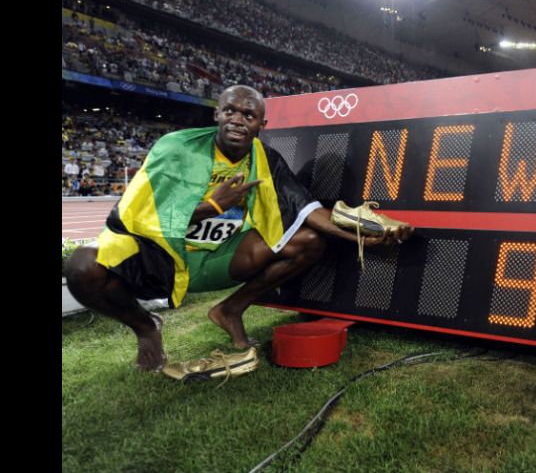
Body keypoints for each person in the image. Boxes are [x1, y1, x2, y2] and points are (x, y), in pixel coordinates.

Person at [65, 85, 413, 371]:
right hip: (164, 258)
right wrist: (214, 205)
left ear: (262, 123)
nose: (237, 120)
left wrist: (361, 234)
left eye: (248, 115)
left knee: (309, 240)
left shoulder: (265, 158)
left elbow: (305, 209)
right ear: (216, 114)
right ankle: (146, 327)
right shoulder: (176, 148)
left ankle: (230, 308)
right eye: (230, 111)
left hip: (220, 258)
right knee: (82, 267)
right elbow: (140, 215)